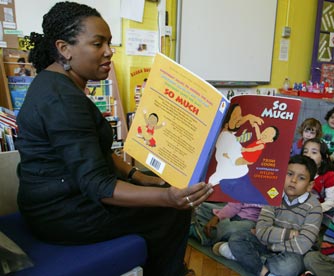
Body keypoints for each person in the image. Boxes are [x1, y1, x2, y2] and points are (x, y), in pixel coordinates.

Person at [16, 3, 213, 276]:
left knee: (162, 184)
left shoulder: (55, 83)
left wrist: (139, 176)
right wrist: (167, 198)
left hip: (56, 199)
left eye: (109, 43)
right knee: (172, 212)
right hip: (61, 213)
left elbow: (93, 151)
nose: (109, 51)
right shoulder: (62, 100)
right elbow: (98, 186)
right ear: (64, 48)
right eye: (98, 44)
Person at [214, 155, 322, 276]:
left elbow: (303, 244)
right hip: (267, 243)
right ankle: (264, 272)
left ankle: (243, 257)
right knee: (237, 238)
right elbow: (261, 230)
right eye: (290, 174)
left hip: (292, 251)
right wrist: (290, 234)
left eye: (301, 178)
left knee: (289, 267)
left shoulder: (315, 207)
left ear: (310, 185)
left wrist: (271, 245)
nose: (293, 180)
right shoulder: (273, 194)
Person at [189, 202, 262, 246]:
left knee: (231, 229)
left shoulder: (272, 190)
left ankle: (201, 234)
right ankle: (202, 228)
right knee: (201, 206)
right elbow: (233, 206)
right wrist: (217, 217)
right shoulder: (246, 183)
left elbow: (269, 218)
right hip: (234, 213)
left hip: (250, 221)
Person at [302, 137, 334, 226]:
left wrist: (314, 209)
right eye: (305, 152)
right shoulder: (296, 171)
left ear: (323, 157)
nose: (308, 155)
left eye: (314, 152)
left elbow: (331, 201)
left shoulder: (329, 175)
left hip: (319, 208)